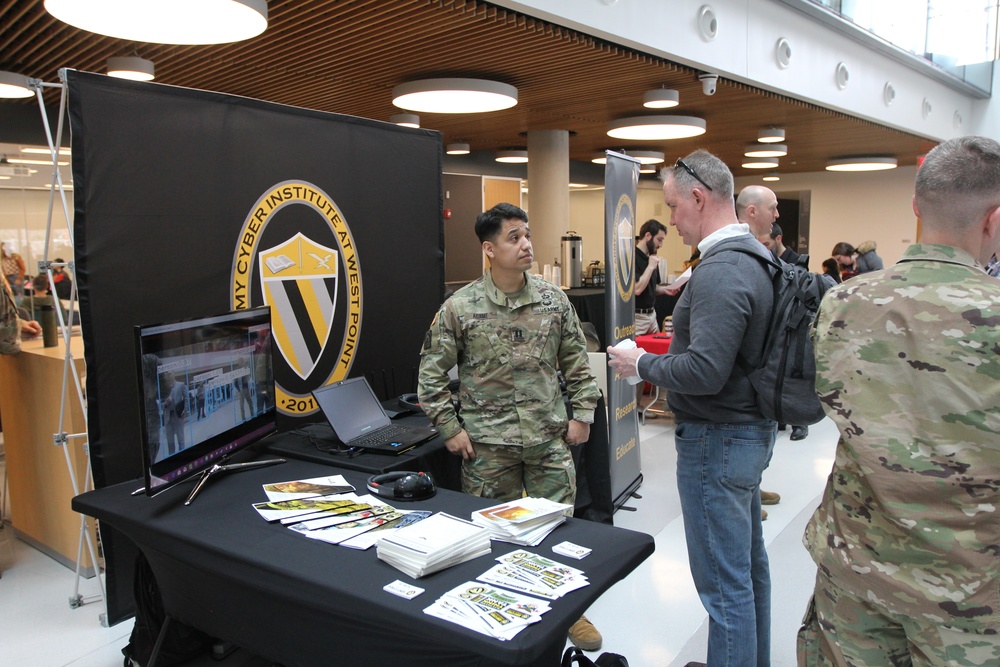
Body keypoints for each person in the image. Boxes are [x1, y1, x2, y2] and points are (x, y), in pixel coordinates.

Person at [798, 136, 1000, 666]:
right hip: (968, 595)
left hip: (854, 570)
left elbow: (829, 401)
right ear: (994, 219)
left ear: (916, 206)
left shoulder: (843, 302)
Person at [608, 150, 777, 666]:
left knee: (724, 588)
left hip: (717, 440)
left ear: (700, 198)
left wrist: (640, 365)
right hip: (745, 432)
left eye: (676, 206)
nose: (672, 219)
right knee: (748, 573)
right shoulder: (755, 258)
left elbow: (704, 372)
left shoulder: (722, 271)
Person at [417, 202, 603, 651]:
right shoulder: (460, 308)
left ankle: (568, 612)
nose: (526, 245)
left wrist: (583, 415)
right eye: (514, 237)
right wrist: (450, 428)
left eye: (527, 235)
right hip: (487, 447)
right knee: (489, 534)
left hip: (547, 439)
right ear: (489, 248)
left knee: (557, 528)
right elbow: (430, 376)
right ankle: (499, 608)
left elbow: (578, 363)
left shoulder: (553, 300)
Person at [634, 218, 670, 335]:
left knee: (657, 351)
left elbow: (651, 288)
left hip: (652, 315)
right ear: (648, 235)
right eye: (659, 240)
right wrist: (650, 267)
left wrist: (666, 290)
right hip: (637, 318)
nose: (661, 245)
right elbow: (637, 289)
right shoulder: (631, 257)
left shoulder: (652, 257)